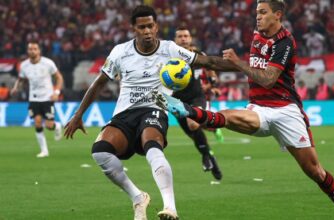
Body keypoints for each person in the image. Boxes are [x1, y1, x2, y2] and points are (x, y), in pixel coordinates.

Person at [153, 1, 334, 219]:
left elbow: (267, 79)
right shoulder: (258, 36)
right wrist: (200, 61)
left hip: (286, 111)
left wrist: (238, 62)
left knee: (316, 172)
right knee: (223, 117)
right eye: (257, 13)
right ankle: (184, 109)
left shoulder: (285, 42)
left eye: (263, 13)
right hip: (259, 109)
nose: (258, 17)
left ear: (278, 15)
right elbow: (230, 64)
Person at [63, 5, 238, 220]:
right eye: (142, 27)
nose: (147, 31)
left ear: (156, 27)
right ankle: (138, 197)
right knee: (100, 151)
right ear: (133, 29)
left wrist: (244, 67)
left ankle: (170, 208)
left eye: (150, 26)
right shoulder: (120, 52)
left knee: (151, 145)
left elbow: (208, 61)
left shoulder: (171, 49)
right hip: (125, 113)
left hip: (154, 109)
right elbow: (98, 84)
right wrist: (78, 114)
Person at [173, 26, 222, 180]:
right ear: (175, 40)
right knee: (194, 134)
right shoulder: (169, 57)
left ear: (190, 38)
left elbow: (211, 71)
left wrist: (213, 85)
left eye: (186, 36)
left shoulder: (198, 55)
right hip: (176, 101)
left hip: (196, 97)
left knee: (193, 124)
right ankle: (209, 157)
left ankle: (207, 152)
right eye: (180, 36)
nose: (183, 38)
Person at [11, 41, 63, 158]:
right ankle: (44, 151)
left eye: (35, 49)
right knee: (38, 122)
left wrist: (57, 92)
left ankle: (57, 126)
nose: (32, 51)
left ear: (39, 51)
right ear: (27, 51)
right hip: (33, 98)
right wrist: (15, 87)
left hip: (47, 98)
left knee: (49, 126)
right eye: (30, 49)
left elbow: (59, 77)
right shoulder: (24, 65)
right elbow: (21, 79)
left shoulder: (48, 63)